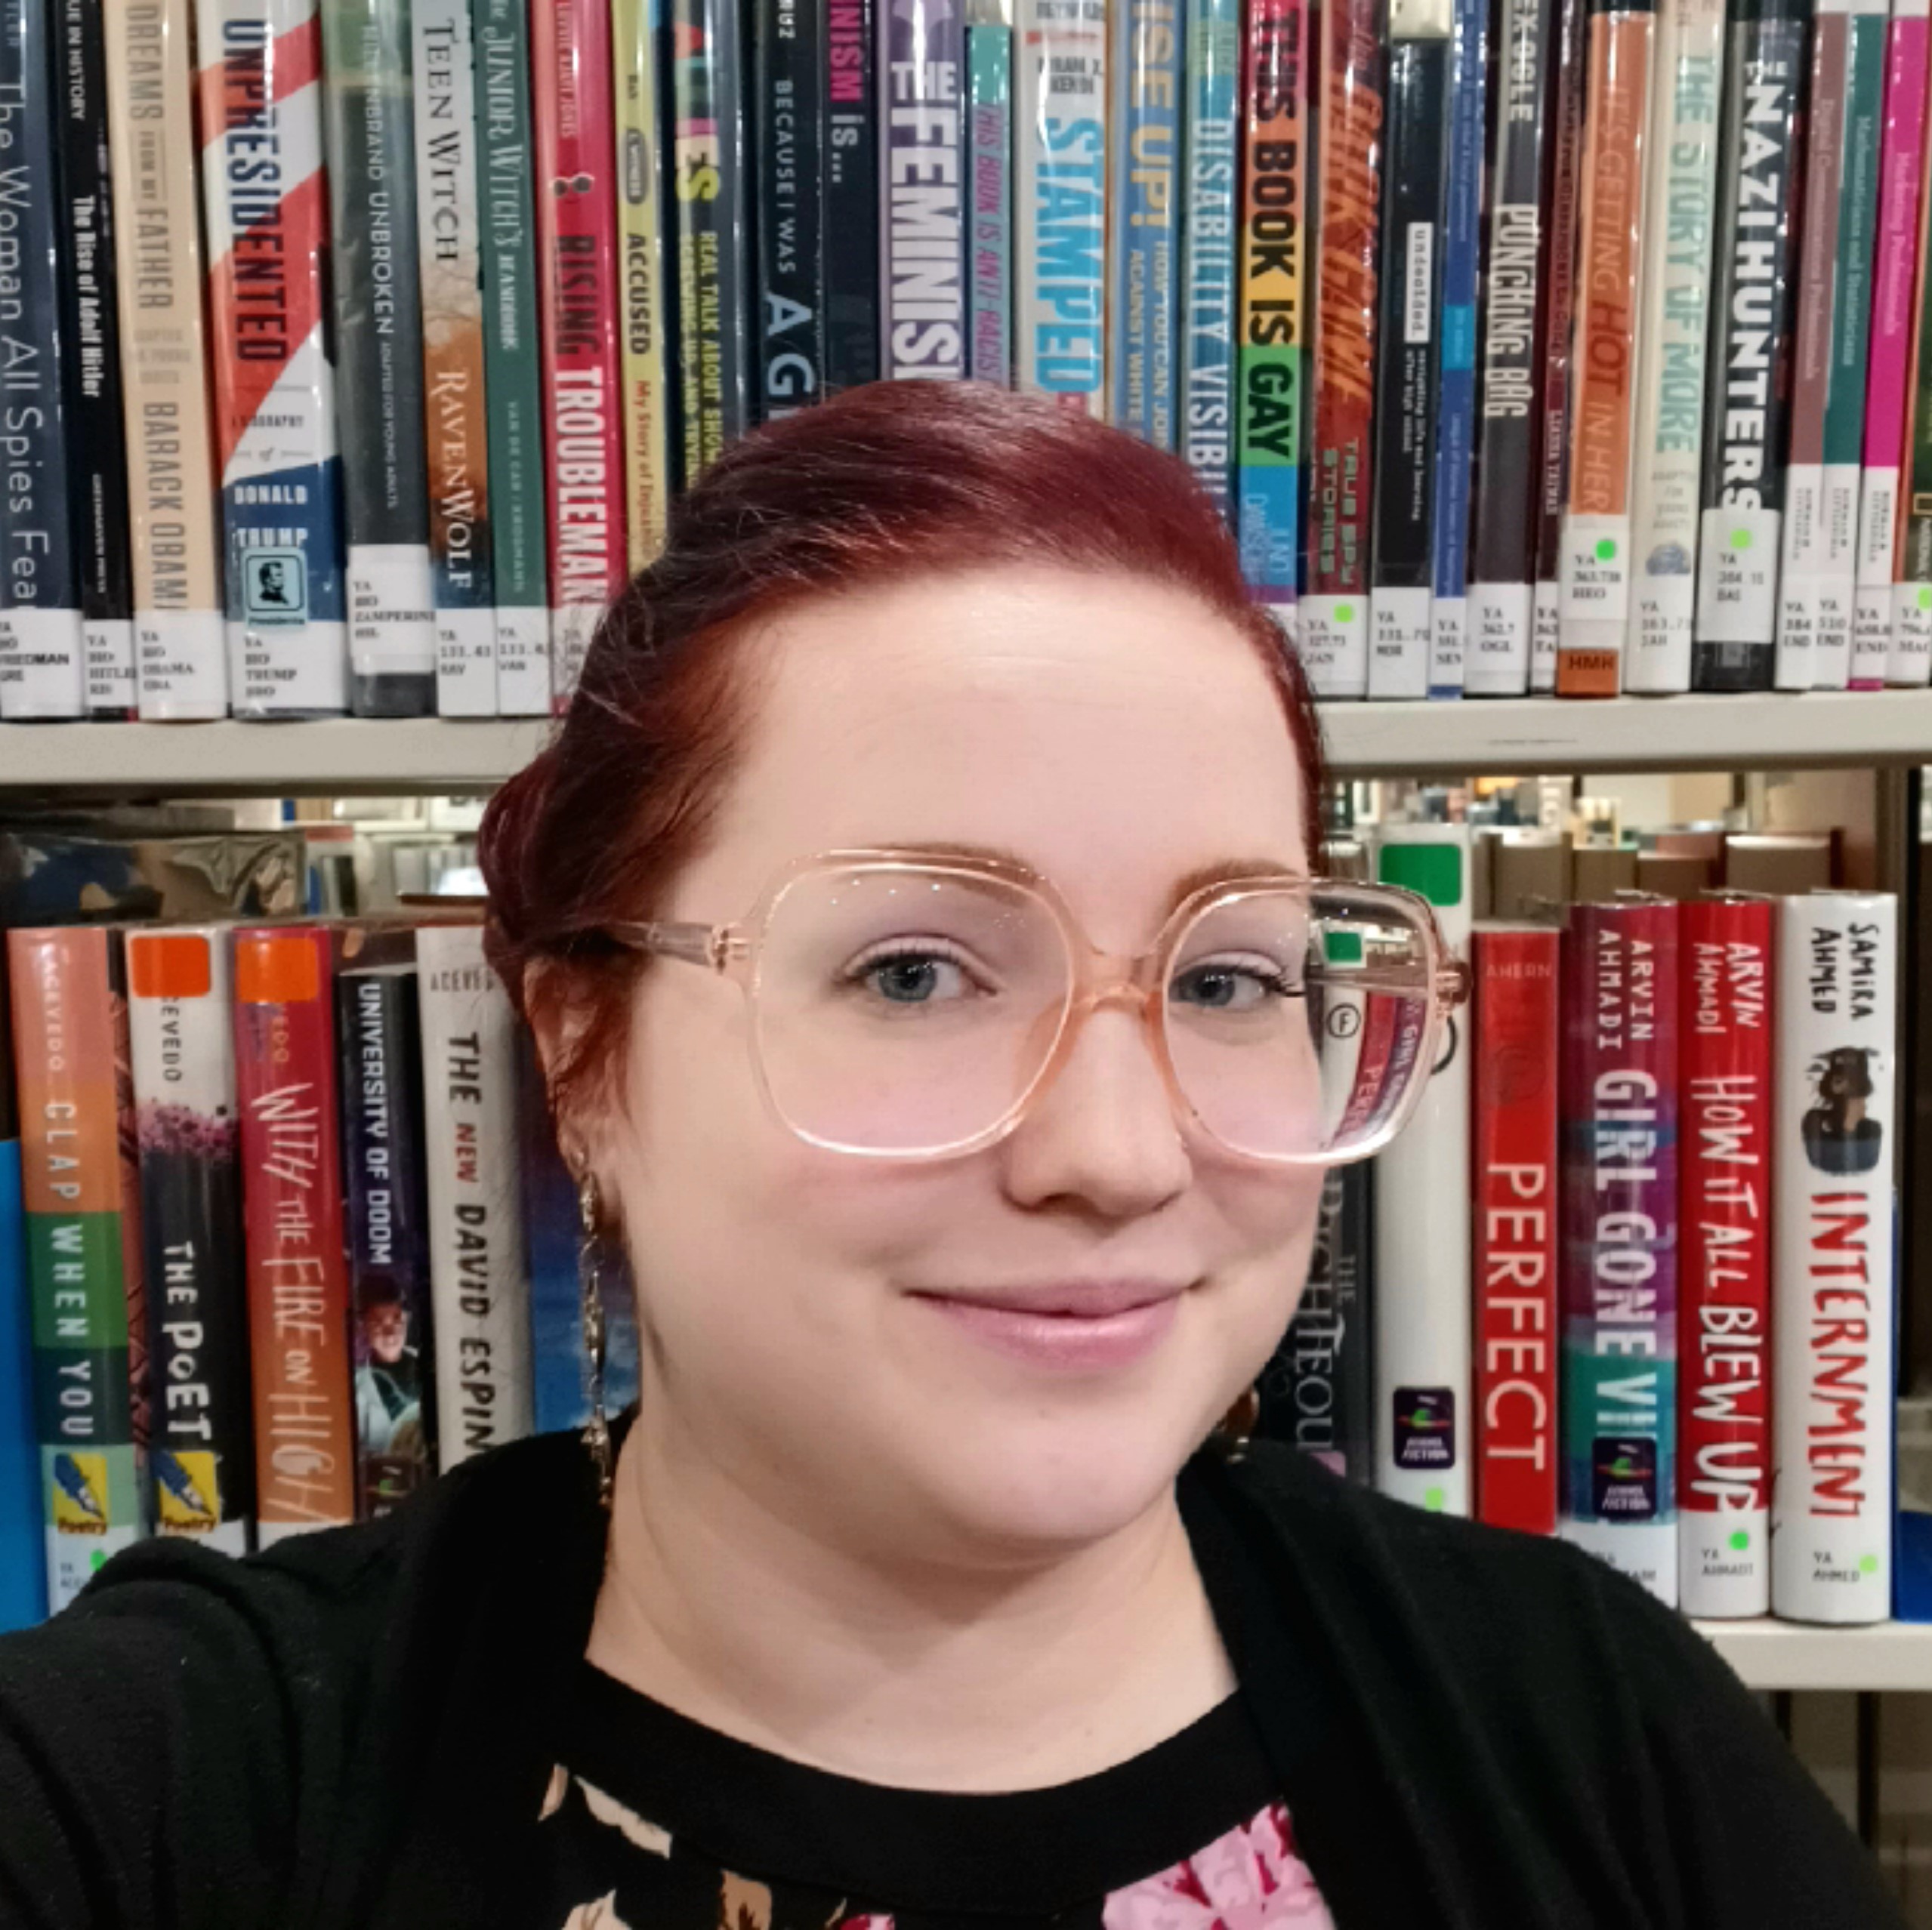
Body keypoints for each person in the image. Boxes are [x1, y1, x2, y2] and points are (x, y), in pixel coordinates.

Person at [0, 384, 1902, 1930]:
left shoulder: (1582, 1730)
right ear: (585, 1055)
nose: (1116, 1152)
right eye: (914, 971)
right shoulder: (175, 1787)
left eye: (1230, 974)